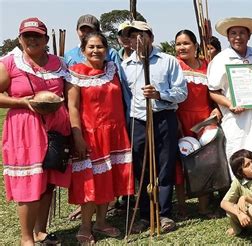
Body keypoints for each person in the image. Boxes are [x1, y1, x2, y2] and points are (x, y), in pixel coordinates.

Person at [0, 17, 70, 245]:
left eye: (37, 36)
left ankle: (41, 231)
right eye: (27, 35)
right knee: (28, 181)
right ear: (20, 38)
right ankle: (26, 238)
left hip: (55, 126)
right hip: (24, 128)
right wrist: (24, 102)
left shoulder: (59, 63)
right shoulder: (10, 62)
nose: (32, 39)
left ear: (46, 39)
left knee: (48, 179)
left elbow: (70, 95)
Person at [66, 32, 134, 244]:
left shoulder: (113, 70)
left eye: (100, 47)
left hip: (114, 133)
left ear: (107, 49)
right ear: (83, 50)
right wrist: (77, 136)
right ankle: (85, 227)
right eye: (91, 47)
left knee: (110, 179)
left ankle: (101, 222)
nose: (96, 51)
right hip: (90, 134)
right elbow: (72, 107)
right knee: (90, 182)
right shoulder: (75, 73)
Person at [121, 21, 187, 233]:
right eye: (132, 37)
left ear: (150, 36)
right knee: (141, 168)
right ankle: (143, 215)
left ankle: (164, 214)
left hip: (163, 117)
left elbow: (182, 92)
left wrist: (159, 95)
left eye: (141, 35)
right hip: (138, 121)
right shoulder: (126, 66)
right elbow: (125, 97)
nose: (137, 40)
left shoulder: (168, 61)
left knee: (165, 165)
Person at [207, 17, 252, 171]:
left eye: (242, 33)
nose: (237, 37)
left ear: (249, 35)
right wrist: (229, 104)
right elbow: (213, 91)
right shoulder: (221, 59)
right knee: (237, 153)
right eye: (233, 33)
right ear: (227, 37)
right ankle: (238, 191)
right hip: (236, 118)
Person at [174, 29, 221, 218]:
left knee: (204, 161)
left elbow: (215, 90)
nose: (182, 47)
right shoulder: (174, 65)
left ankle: (203, 206)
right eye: (178, 44)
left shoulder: (207, 65)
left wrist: (216, 107)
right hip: (180, 118)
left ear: (195, 46)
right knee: (180, 162)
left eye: (186, 43)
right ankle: (182, 207)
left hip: (203, 120)